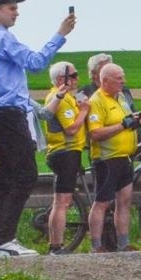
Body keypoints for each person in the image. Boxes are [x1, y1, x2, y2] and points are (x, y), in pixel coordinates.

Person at [0, 0, 73, 258]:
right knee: (25, 174)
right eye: (10, 7)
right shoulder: (3, 39)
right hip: (9, 113)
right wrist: (60, 34)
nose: (16, 12)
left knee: (2, 176)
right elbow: (36, 63)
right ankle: (6, 238)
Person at [86, 62, 141, 251]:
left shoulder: (121, 98)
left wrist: (135, 122)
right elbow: (95, 133)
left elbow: (125, 122)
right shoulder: (97, 101)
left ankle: (123, 243)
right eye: (119, 79)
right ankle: (96, 245)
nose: (123, 81)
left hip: (125, 156)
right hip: (107, 159)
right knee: (102, 202)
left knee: (124, 201)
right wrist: (123, 125)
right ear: (105, 81)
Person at [41, 61, 88, 253]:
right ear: (62, 79)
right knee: (62, 201)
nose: (77, 79)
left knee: (61, 200)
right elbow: (71, 129)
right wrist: (84, 111)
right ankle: (56, 246)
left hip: (67, 151)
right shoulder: (59, 99)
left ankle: (56, 245)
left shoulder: (66, 97)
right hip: (65, 151)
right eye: (74, 75)